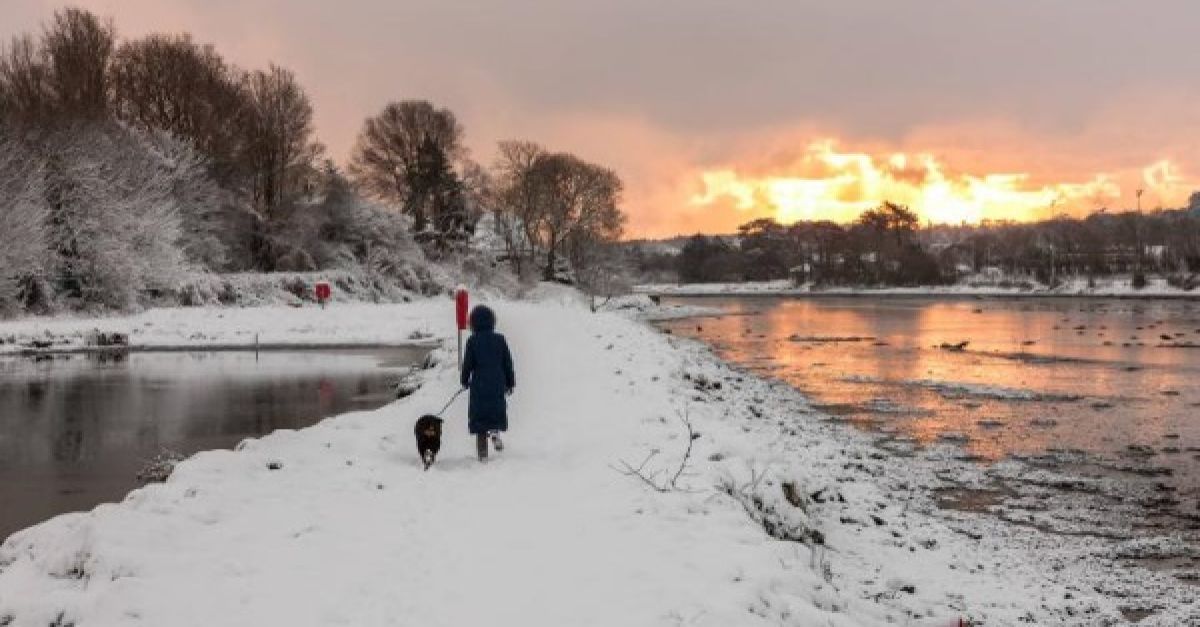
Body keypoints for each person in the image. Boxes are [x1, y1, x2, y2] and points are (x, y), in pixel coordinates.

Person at [460, 305, 515, 461]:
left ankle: (483, 454)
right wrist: (510, 382)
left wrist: (464, 381)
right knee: (495, 410)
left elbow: (467, 364)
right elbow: (507, 363)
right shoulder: (500, 339)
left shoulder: (472, 341)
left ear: (473, 323)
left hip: (479, 384)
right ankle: (495, 433)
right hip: (497, 383)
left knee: (480, 418)